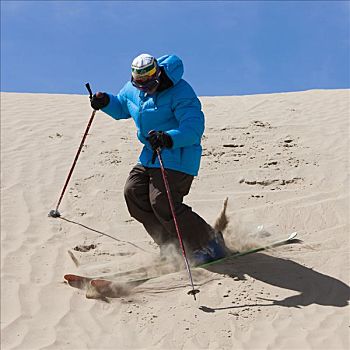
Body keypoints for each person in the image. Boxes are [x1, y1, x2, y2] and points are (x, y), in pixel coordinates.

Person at [90, 53, 226, 265]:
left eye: (150, 82)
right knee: (133, 194)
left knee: (162, 201)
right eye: (139, 83)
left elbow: (193, 128)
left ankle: (209, 243)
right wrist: (106, 101)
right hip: (150, 155)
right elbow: (122, 107)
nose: (144, 88)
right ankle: (172, 246)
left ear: (158, 73)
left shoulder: (181, 92)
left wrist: (168, 138)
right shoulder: (133, 89)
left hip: (179, 155)